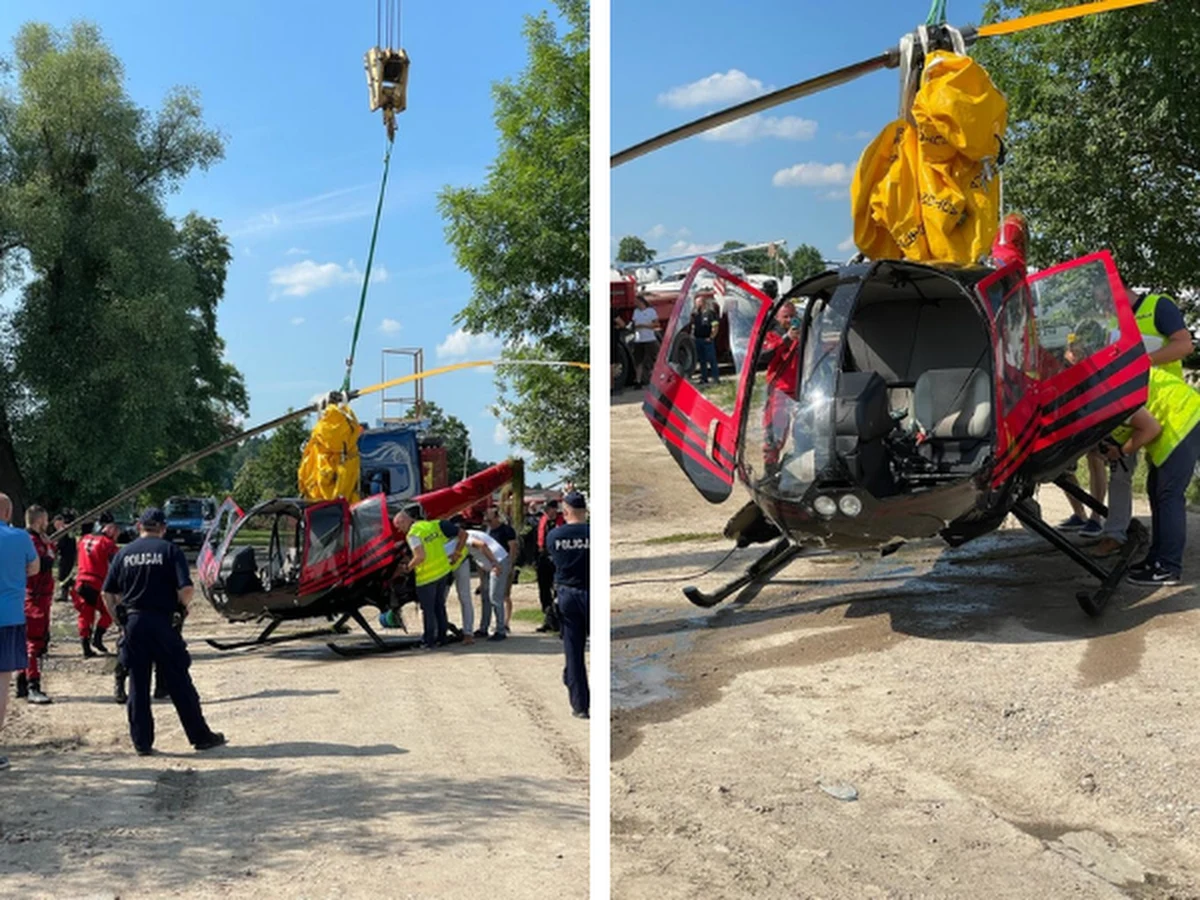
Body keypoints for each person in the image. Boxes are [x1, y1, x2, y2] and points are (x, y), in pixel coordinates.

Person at [101, 508, 224, 755]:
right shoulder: (170, 550)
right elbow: (186, 589)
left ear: (139, 527)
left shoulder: (123, 553)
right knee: (179, 681)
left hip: (134, 623)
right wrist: (180, 608)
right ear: (163, 528)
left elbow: (108, 593)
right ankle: (200, 737)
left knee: (138, 683)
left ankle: (142, 742)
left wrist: (119, 619)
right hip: (162, 622)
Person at [1090, 281, 1195, 557]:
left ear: (1116, 290)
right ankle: (1115, 534)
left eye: (1104, 301)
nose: (1103, 309)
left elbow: (1184, 346)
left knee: (1164, 489)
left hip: (1166, 408)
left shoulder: (1158, 306)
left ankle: (1165, 556)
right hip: (1131, 410)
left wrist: (1141, 362)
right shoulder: (1114, 323)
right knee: (1121, 472)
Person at [1098, 367, 1200, 585]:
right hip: (1181, 417)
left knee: (1169, 495)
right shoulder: (1110, 380)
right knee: (1156, 490)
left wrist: (1121, 451)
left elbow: (1149, 428)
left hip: (1182, 421)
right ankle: (1156, 559)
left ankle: (1168, 567)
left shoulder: (1112, 393)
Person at [391, 505, 467, 649]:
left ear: (403, 521)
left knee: (428, 610)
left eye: (398, 526)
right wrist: (457, 552)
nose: (398, 530)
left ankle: (428, 640)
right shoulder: (433, 525)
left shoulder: (413, 534)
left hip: (427, 576)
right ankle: (442, 637)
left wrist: (407, 568)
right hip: (443, 572)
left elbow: (420, 556)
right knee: (439, 606)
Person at [0, 494, 37, 770]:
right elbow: (34, 568)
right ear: (8, 512)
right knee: (2, 684)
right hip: (9, 617)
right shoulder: (20, 537)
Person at [547, 492, 589, 719]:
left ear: (565, 511)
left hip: (567, 595)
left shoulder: (555, 536)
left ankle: (580, 706)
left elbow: (552, 559)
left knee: (574, 653)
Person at [17, 506, 55, 705]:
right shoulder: (30, 542)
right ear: (39, 521)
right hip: (34, 597)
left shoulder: (39, 540)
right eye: (45, 520)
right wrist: (48, 550)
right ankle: (33, 684)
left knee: (37, 640)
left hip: (42, 596)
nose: (47, 524)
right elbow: (43, 565)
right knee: (33, 641)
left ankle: (23, 680)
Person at [761, 301, 802, 474]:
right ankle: (770, 473)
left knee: (805, 433)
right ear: (777, 318)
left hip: (801, 390)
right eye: (786, 316)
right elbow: (764, 357)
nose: (790, 320)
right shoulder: (772, 335)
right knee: (774, 435)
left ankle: (796, 469)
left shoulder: (804, 334)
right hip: (779, 391)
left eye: (793, 316)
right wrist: (787, 339)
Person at [75, 514, 120, 657]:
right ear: (109, 527)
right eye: (115, 529)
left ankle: (87, 645)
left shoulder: (83, 539)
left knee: (85, 615)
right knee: (109, 612)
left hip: (81, 582)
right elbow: (117, 564)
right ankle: (96, 639)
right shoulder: (107, 543)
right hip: (96, 583)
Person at [478, 508, 519, 640]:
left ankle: (500, 629)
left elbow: (512, 548)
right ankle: (483, 627)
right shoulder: (487, 530)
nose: (487, 520)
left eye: (489, 518)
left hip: (501, 564)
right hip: (488, 565)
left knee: (496, 596)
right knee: (486, 597)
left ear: (497, 517)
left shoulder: (506, 530)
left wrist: (510, 566)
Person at [536, 500, 565, 633]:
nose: (546, 512)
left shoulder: (563, 521)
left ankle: (559, 620)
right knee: (544, 590)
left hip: (558, 559)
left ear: (555, 509)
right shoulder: (542, 520)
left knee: (558, 590)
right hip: (544, 558)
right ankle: (548, 619)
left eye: (548, 509)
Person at [630, 294, 660, 388]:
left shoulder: (651, 311)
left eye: (637, 302)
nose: (636, 304)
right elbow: (634, 323)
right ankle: (638, 381)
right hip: (639, 339)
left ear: (642, 302)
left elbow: (656, 324)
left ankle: (656, 379)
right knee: (638, 361)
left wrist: (644, 326)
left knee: (653, 359)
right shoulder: (636, 312)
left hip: (649, 338)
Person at [691, 294, 720, 385]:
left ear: (703, 303)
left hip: (707, 340)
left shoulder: (710, 313)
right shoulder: (696, 314)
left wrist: (711, 337)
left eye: (699, 302)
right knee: (702, 361)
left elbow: (715, 326)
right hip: (698, 340)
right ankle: (704, 378)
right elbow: (693, 326)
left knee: (711, 360)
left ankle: (715, 379)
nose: (697, 304)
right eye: (696, 303)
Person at [52, 513, 77, 605]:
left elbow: (61, 544)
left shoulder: (64, 531)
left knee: (63, 576)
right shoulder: (67, 530)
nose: (55, 526)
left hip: (67, 556)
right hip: (67, 555)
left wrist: (55, 547)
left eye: (57, 523)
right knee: (65, 575)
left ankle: (65, 594)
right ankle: (67, 592)